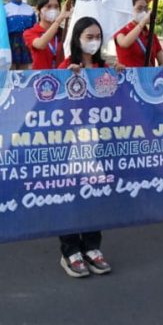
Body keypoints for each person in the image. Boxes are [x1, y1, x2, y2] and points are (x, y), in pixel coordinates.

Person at [56, 16, 113, 278]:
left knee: (95, 193)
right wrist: (65, 79)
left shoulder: (105, 67)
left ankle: (92, 246)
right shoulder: (66, 67)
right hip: (72, 144)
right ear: (77, 39)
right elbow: (54, 104)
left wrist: (120, 77)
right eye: (89, 37)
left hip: (99, 143)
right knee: (71, 195)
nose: (94, 41)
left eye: (97, 37)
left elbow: (114, 102)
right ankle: (70, 249)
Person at [113, 0, 163, 67]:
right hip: (129, 76)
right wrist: (143, 22)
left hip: (147, 76)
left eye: (145, 9)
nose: (143, 12)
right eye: (139, 8)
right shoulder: (121, 29)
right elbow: (124, 43)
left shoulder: (151, 35)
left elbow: (162, 60)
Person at [23, 0, 70, 70]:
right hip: (40, 78)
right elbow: (41, 44)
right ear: (38, 10)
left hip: (60, 77)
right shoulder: (29, 32)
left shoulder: (63, 32)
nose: (53, 10)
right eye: (49, 6)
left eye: (56, 7)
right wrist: (58, 21)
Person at [3, 0, 36, 70]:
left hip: (26, 43)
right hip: (10, 43)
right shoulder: (4, 9)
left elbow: (34, 28)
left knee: (24, 72)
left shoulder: (29, 9)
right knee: (10, 71)